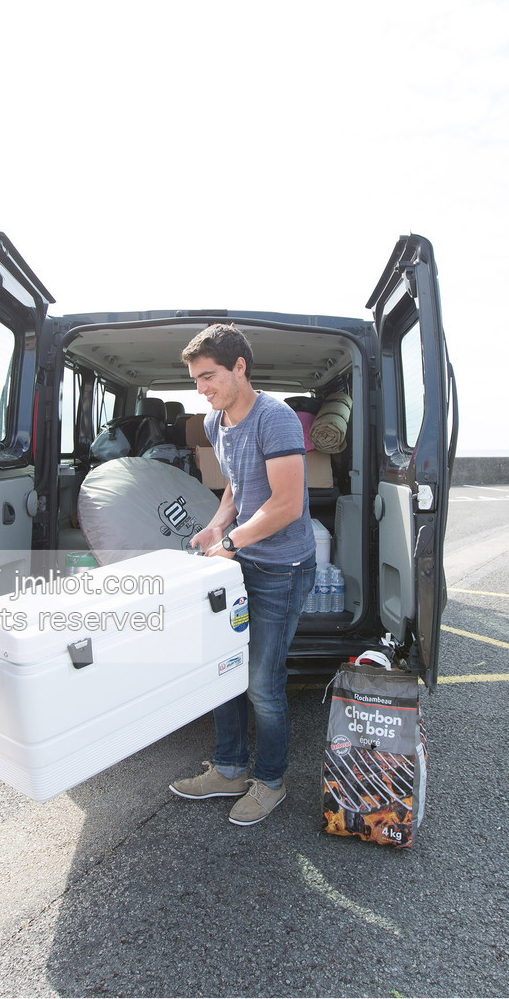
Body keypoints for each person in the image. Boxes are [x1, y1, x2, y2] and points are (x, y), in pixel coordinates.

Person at [171, 324, 316, 825]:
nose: (201, 389)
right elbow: (236, 486)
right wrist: (215, 528)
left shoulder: (275, 419)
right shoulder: (216, 423)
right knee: (223, 669)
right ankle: (230, 768)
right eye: (195, 380)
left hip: (282, 568)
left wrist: (230, 543)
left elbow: (288, 505)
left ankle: (270, 781)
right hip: (241, 560)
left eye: (208, 377)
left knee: (261, 682)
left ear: (239, 367)